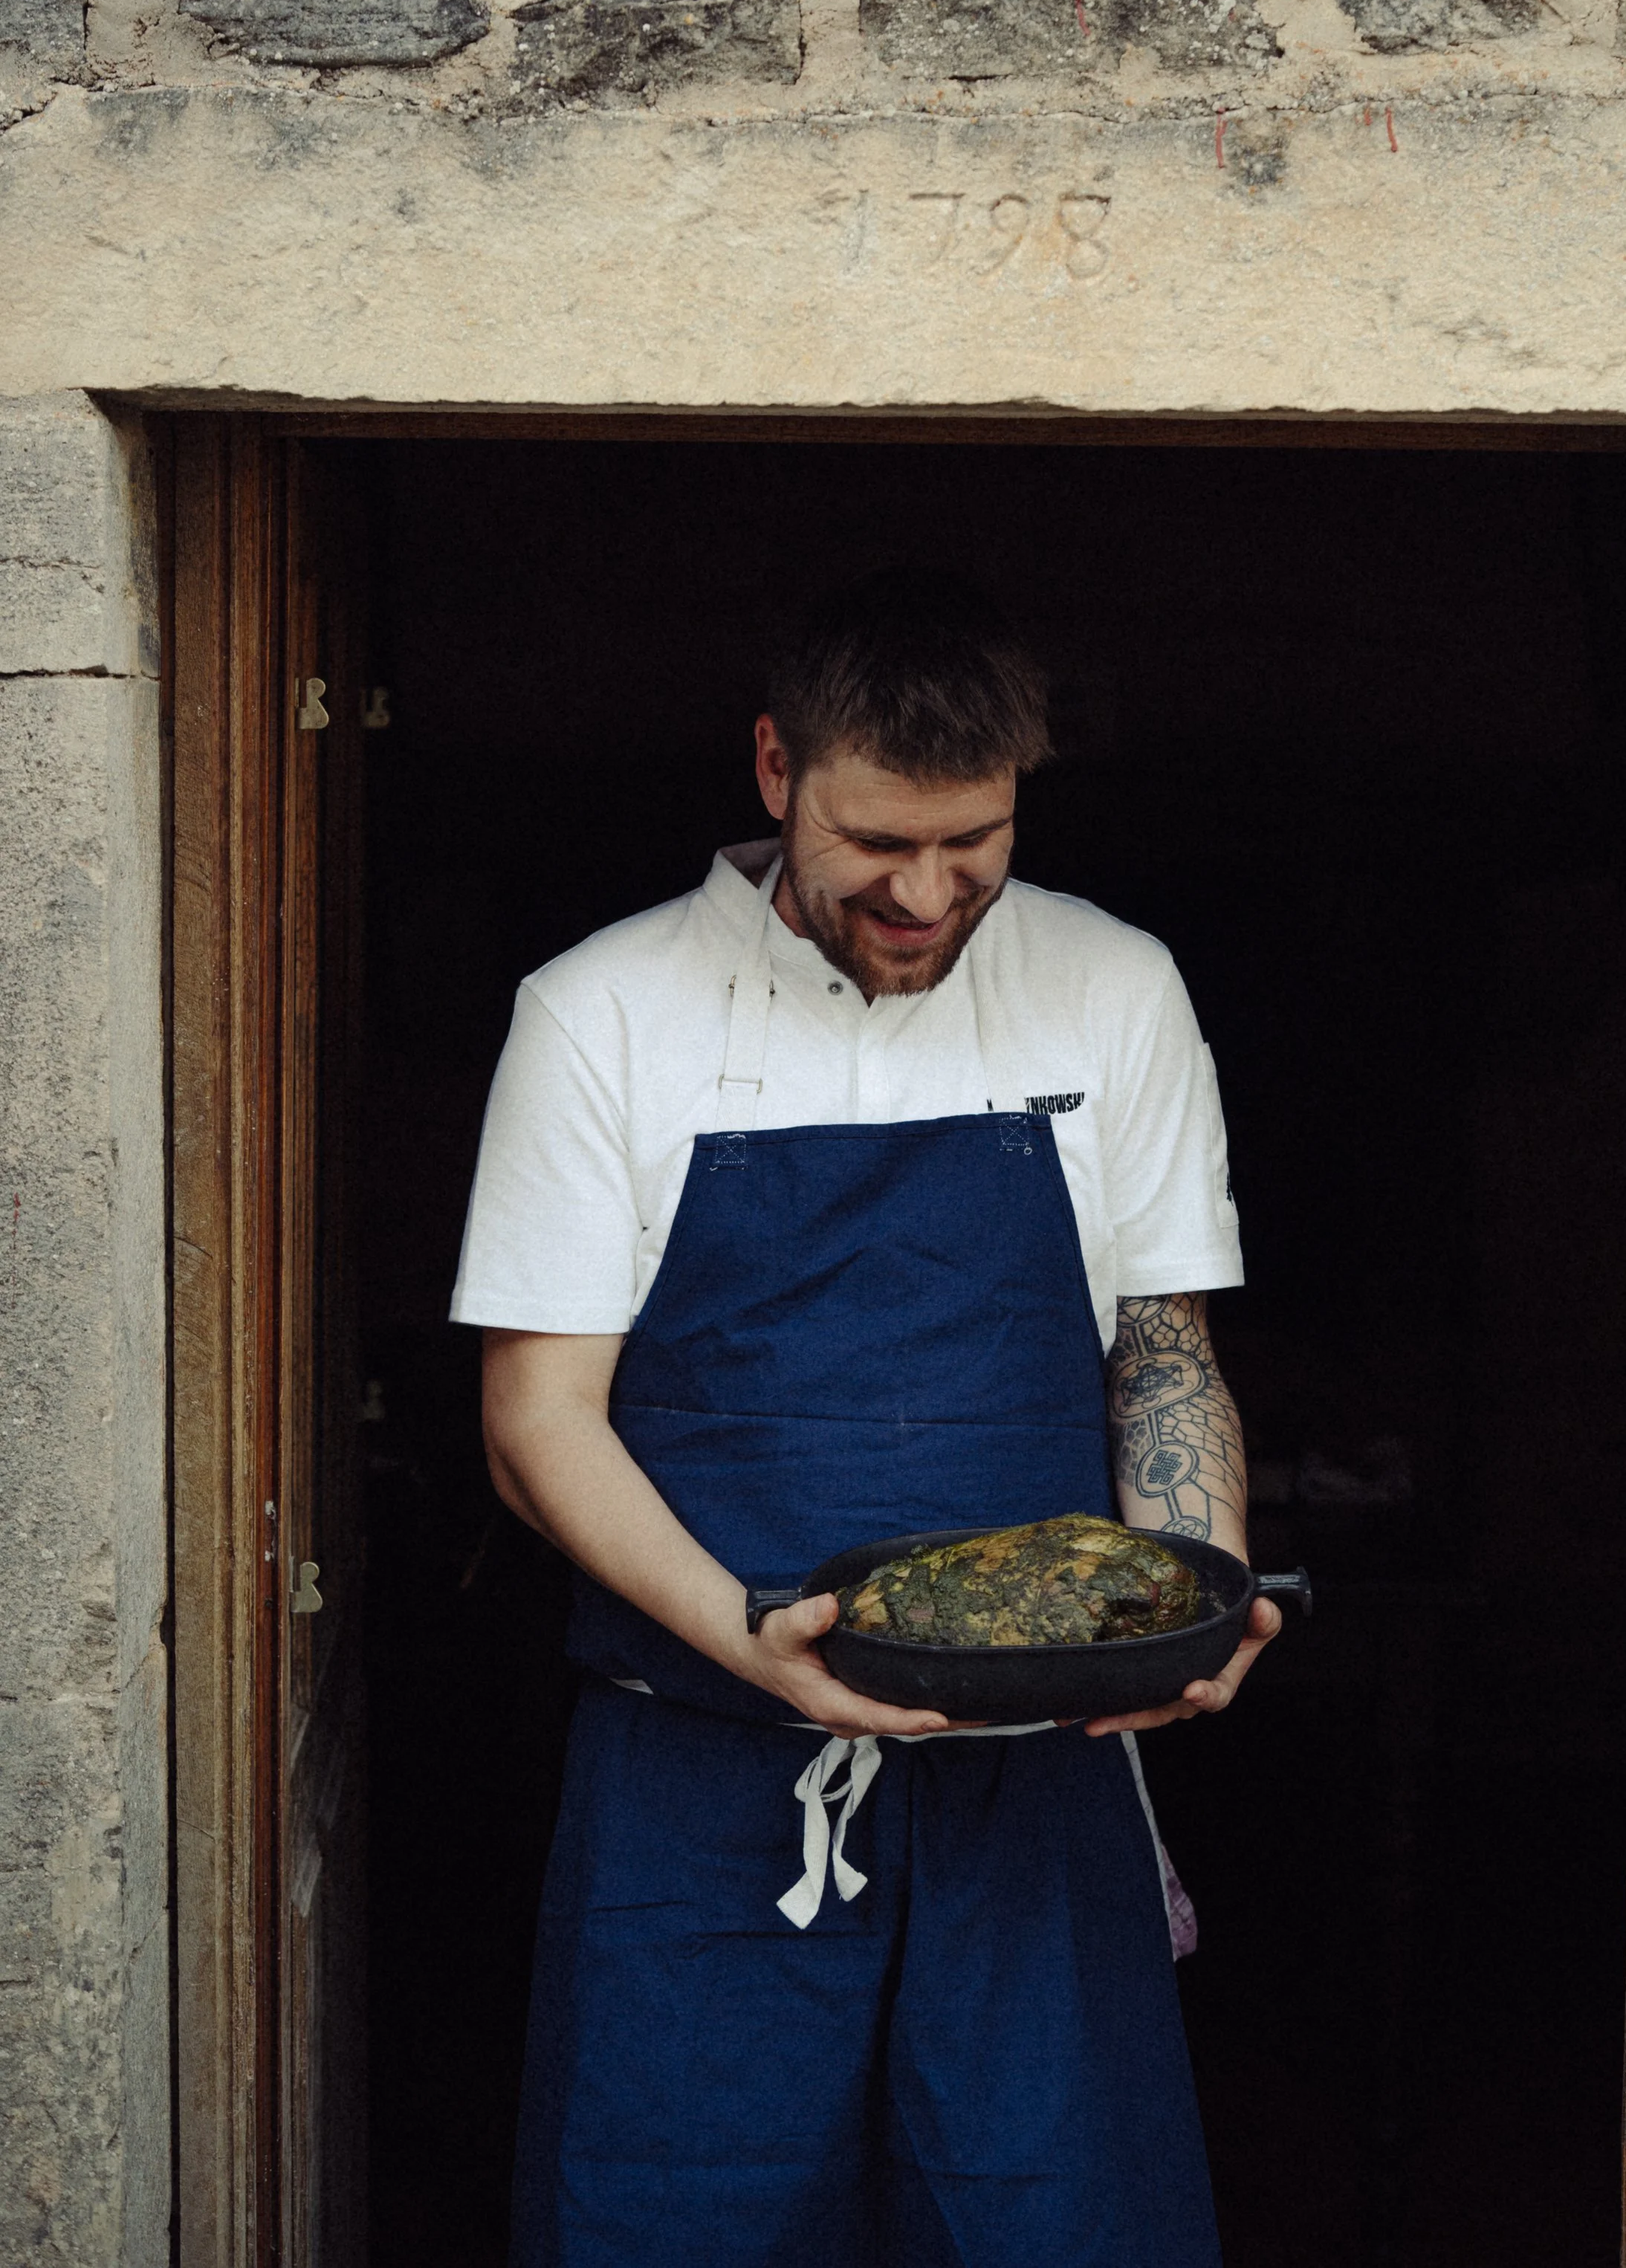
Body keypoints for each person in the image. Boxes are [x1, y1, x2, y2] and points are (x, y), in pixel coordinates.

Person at [451, 569, 1279, 2268]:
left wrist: (1191, 1599)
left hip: (1036, 1778)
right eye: (874, 846)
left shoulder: (1111, 984)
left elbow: (1161, 1347)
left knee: (1049, 2222)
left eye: (970, 846)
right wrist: (753, 1642)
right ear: (774, 770)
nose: (922, 897)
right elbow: (537, 1417)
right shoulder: (599, 1012)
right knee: (679, 2222)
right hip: (701, 1770)